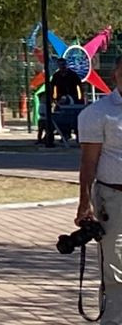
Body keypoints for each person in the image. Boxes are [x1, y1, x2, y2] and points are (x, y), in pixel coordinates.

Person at [77, 54, 122, 322]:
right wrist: (85, 202)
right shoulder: (98, 113)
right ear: (115, 74)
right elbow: (88, 161)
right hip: (113, 199)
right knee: (115, 268)